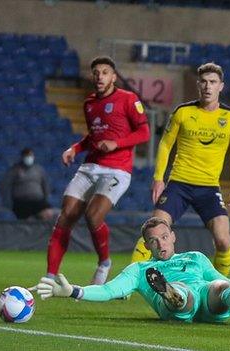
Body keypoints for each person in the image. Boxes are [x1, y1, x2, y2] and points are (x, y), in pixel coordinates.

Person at [33, 217, 230, 324]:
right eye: (153, 241)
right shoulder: (140, 269)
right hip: (177, 304)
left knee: (220, 287)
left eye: (164, 237)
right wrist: (73, 291)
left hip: (207, 301)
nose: (160, 244)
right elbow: (109, 291)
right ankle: (172, 295)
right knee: (182, 292)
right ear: (146, 245)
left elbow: (221, 279)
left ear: (173, 236)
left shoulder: (196, 257)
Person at [129, 63, 230, 277]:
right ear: (198, 84)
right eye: (204, 81)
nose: (207, 86)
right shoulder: (182, 112)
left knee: (223, 240)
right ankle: (130, 282)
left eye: (213, 82)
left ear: (221, 86)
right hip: (179, 184)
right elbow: (165, 144)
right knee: (154, 229)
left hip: (209, 188)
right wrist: (158, 178)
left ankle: (219, 285)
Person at [43, 56, 150, 286]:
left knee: (93, 215)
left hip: (117, 169)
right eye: (96, 73)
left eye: (104, 72)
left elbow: (144, 133)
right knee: (67, 214)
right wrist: (75, 148)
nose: (99, 76)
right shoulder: (89, 103)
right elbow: (94, 135)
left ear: (113, 76)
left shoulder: (128, 99)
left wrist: (116, 143)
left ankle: (104, 263)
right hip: (90, 166)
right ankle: (50, 276)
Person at [0, 147, 54, 220]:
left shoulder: (39, 170)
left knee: (48, 213)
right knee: (28, 220)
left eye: (31, 156)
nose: (29, 158)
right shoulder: (14, 170)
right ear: (22, 157)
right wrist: (8, 202)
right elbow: (5, 186)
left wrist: (45, 197)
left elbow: (45, 185)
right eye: (27, 156)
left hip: (37, 200)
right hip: (21, 202)